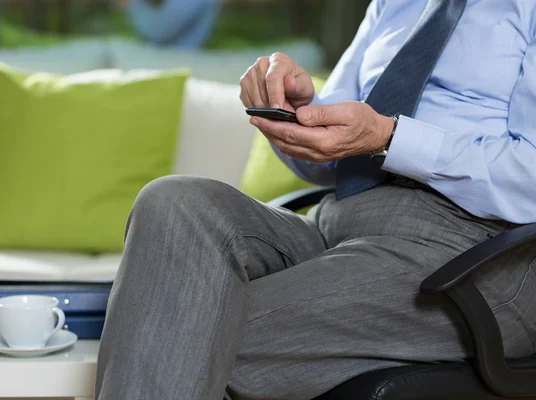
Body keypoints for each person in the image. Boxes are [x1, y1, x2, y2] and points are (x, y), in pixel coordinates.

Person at [95, 0, 536, 399]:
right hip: (340, 219)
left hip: (474, 248)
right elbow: (335, 147)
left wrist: (391, 137)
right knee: (174, 203)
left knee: (178, 329)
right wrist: (300, 108)